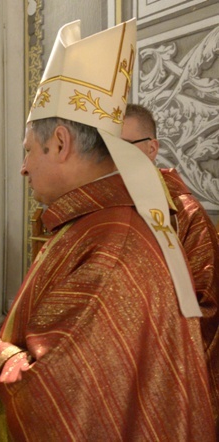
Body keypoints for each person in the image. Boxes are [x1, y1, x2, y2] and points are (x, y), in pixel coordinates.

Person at [0, 19, 215, 441]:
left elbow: (65, 400)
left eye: (28, 151)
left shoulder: (112, 245)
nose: (23, 167)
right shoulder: (96, 224)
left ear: (59, 143)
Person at [123, 103, 219, 432]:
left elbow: (207, 307)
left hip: (166, 363)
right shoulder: (107, 207)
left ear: (152, 148)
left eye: (126, 147)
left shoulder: (187, 216)